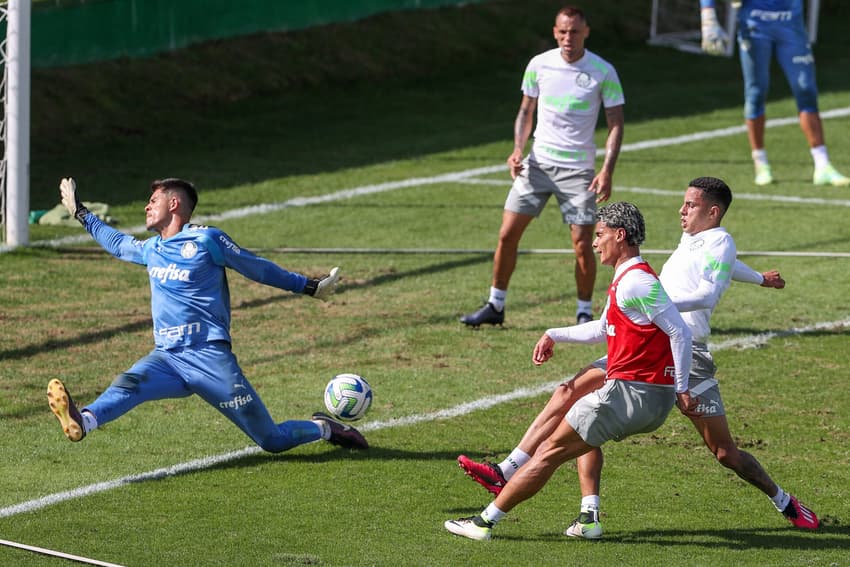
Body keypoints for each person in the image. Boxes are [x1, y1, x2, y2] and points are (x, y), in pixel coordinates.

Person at [456, 177, 818, 538]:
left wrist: (655, 304)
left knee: (725, 453)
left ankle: (784, 500)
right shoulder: (692, 243)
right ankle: (554, 495)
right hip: (648, 343)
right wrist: (759, 278)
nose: (681, 209)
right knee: (575, 394)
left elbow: (709, 293)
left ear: (713, 211)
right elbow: (724, 268)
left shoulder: (718, 241)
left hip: (688, 352)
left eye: (690, 205)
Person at [47, 177, 368, 452]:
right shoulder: (152, 249)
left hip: (209, 359)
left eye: (152, 200)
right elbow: (117, 243)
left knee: (272, 440)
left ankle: (324, 428)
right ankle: (84, 421)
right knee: (129, 383)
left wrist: (309, 286)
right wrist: (80, 212)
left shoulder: (206, 240)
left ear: (174, 204)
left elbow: (256, 267)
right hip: (168, 359)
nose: (146, 207)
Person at [445, 201, 699, 541]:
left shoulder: (636, 281)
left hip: (630, 394)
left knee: (548, 451)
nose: (594, 243)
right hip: (643, 399)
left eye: (600, 235)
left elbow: (679, 332)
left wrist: (682, 388)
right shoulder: (627, 279)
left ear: (620, 236)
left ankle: (484, 522)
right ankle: (588, 519)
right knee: (579, 428)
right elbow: (602, 329)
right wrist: (554, 334)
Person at [460, 6, 624, 328]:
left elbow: (616, 123)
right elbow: (525, 111)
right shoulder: (539, 65)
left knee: (582, 243)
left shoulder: (602, 71)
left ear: (586, 32)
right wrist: (518, 149)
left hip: (578, 172)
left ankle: (583, 312)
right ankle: (496, 304)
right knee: (507, 234)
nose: (568, 38)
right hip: (537, 165)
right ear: (554, 32)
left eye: (574, 32)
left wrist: (606, 170)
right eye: (563, 32)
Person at [700, 0, 849, 187]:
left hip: (791, 24)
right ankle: (761, 163)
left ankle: (822, 165)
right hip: (755, 25)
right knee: (756, 91)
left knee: (805, 88)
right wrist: (708, 16)